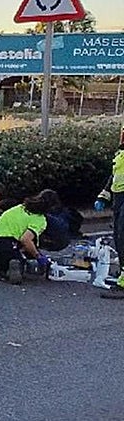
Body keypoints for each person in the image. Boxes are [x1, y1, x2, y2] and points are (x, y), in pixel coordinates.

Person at [0, 189, 59, 284]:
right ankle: (8, 268)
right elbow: (26, 240)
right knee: (18, 260)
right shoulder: (40, 220)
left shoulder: (20, 207)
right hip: (5, 243)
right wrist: (38, 256)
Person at [95, 127, 124, 299]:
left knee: (123, 236)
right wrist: (103, 197)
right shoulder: (120, 154)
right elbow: (114, 177)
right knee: (119, 238)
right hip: (119, 199)